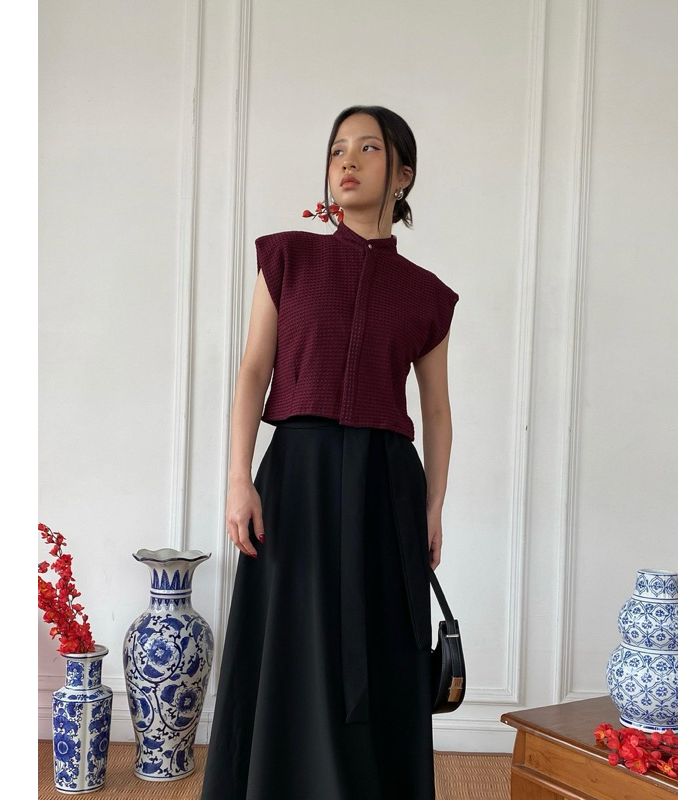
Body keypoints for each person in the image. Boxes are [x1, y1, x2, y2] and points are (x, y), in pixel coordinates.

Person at [200, 105, 459, 800]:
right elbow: (254, 371)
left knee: (379, 642)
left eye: (368, 148)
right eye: (338, 148)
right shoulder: (288, 257)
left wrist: (434, 505)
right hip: (298, 475)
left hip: (386, 484)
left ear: (402, 175)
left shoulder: (428, 296)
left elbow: (436, 409)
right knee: (291, 638)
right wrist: (238, 480)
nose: (347, 160)